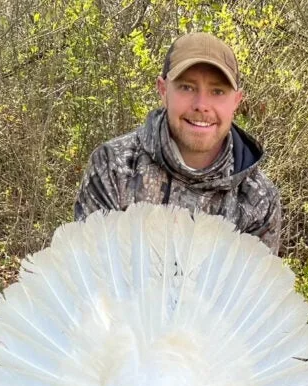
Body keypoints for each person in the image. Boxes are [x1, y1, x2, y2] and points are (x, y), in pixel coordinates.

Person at [74, 32, 282, 254]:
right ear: (163, 90)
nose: (202, 105)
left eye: (217, 91)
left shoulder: (258, 198)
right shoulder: (114, 167)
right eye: (187, 87)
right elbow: (93, 273)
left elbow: (251, 286)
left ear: (236, 101)